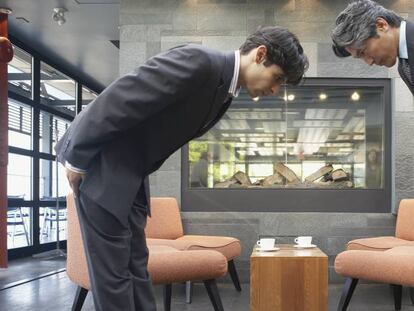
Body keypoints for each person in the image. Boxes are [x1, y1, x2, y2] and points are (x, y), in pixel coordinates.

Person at [55, 26, 308, 311]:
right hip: (102, 165)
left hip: (132, 177)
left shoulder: (224, 87)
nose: (274, 90)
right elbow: (119, 97)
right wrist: (78, 156)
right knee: (113, 277)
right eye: (277, 78)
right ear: (260, 54)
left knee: (136, 267)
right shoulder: (200, 61)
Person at [331, 0, 414, 94]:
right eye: (360, 57)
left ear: (381, 25)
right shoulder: (404, 64)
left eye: (363, 52)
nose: (369, 62)